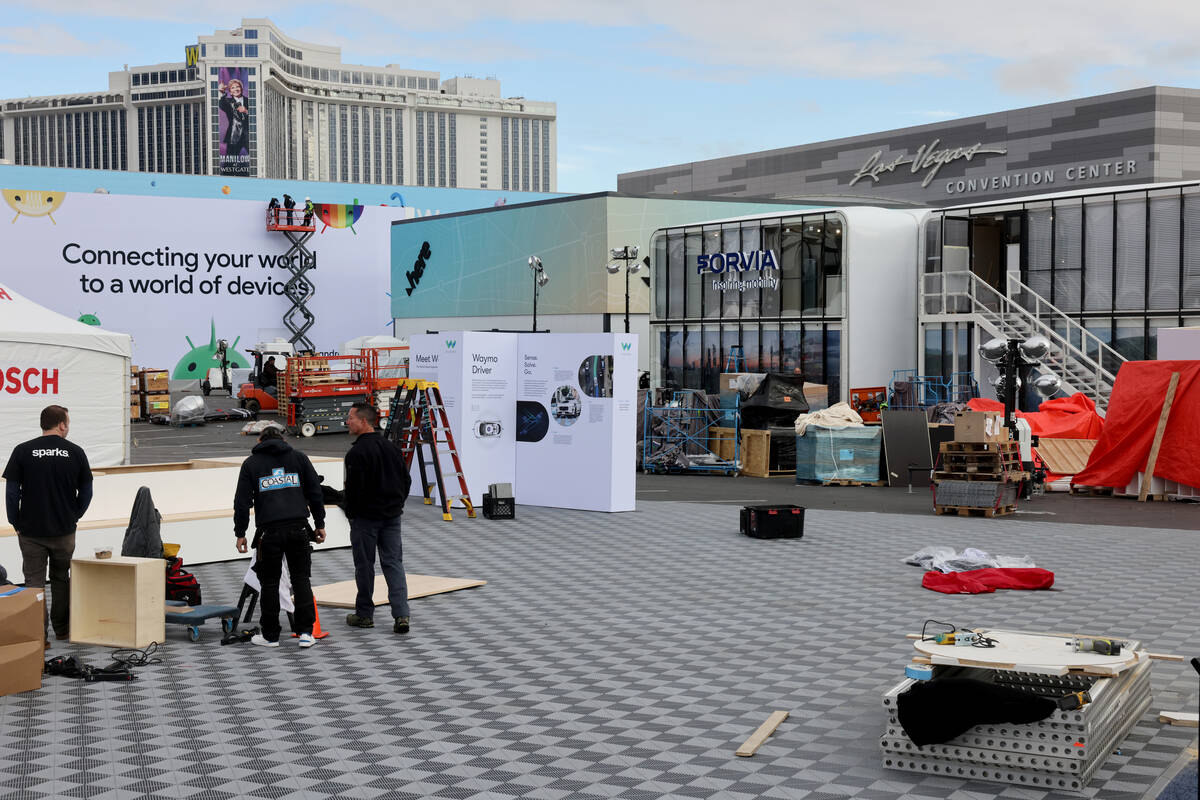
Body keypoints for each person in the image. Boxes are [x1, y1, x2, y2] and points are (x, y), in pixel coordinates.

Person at [3, 405, 92, 646]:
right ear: (62, 424)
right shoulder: (75, 452)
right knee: (61, 578)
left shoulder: (22, 451)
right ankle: (62, 630)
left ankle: (38, 637)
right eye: (68, 422)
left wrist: (15, 522)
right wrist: (74, 515)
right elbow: (86, 491)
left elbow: (11, 493)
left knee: (34, 583)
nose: (68, 426)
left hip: (30, 532)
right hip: (64, 530)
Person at [232, 427, 326, 648]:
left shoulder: (251, 464)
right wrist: (319, 524)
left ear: (259, 440)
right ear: (283, 439)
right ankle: (306, 633)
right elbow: (315, 492)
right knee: (301, 580)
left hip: (269, 533)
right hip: (299, 529)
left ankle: (270, 635)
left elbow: (242, 502)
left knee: (270, 584)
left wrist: (240, 533)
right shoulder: (299, 458)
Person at [343, 402, 411, 633]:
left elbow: (353, 491)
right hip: (392, 516)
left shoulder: (357, 453)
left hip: (366, 519)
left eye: (350, 417)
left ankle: (364, 615)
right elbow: (406, 480)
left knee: (364, 566)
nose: (347, 421)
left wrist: (352, 515)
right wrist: (397, 504)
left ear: (364, 421)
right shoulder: (392, 448)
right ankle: (401, 615)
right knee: (393, 564)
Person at [218, 79, 249, 160]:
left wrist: (246, 111)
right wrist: (222, 93)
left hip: (249, 135)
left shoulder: (249, 101)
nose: (236, 89)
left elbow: (258, 114)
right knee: (229, 162)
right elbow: (221, 104)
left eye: (238, 87)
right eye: (233, 88)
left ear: (241, 89)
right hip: (234, 135)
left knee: (257, 157)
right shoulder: (228, 102)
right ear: (230, 92)